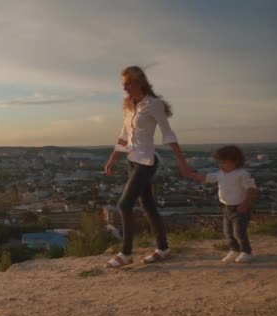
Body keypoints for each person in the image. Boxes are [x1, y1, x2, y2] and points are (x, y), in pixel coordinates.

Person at [105, 65, 191, 268]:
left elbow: (167, 133)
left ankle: (126, 253)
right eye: (123, 84)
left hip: (147, 161)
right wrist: (112, 159)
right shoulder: (129, 106)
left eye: (127, 84)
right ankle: (163, 249)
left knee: (124, 205)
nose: (124, 88)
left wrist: (182, 161)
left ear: (139, 82)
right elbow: (124, 135)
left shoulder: (154, 104)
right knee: (149, 206)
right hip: (132, 160)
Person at [186, 145, 258, 263]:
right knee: (228, 232)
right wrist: (191, 175)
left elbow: (252, 189)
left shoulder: (242, 174)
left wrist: (246, 204)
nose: (220, 165)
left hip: (240, 207)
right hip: (226, 208)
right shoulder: (220, 174)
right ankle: (234, 250)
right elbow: (206, 177)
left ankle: (246, 252)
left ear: (235, 161)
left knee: (239, 232)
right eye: (219, 162)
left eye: (224, 162)